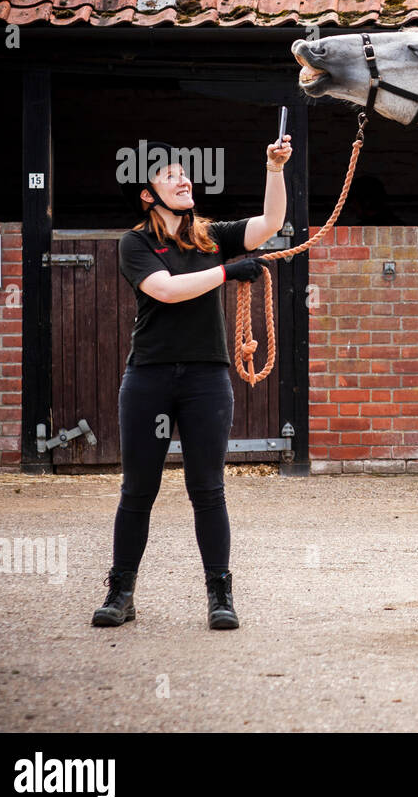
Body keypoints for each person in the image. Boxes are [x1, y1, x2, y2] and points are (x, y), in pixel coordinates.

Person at [93, 135, 291, 629]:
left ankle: (220, 595)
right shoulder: (136, 242)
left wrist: (273, 167)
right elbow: (165, 290)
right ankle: (121, 592)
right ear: (148, 194)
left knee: (208, 488)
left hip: (207, 377)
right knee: (139, 489)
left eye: (185, 174)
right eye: (170, 176)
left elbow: (270, 224)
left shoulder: (210, 235)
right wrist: (227, 273)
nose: (184, 180)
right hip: (150, 378)